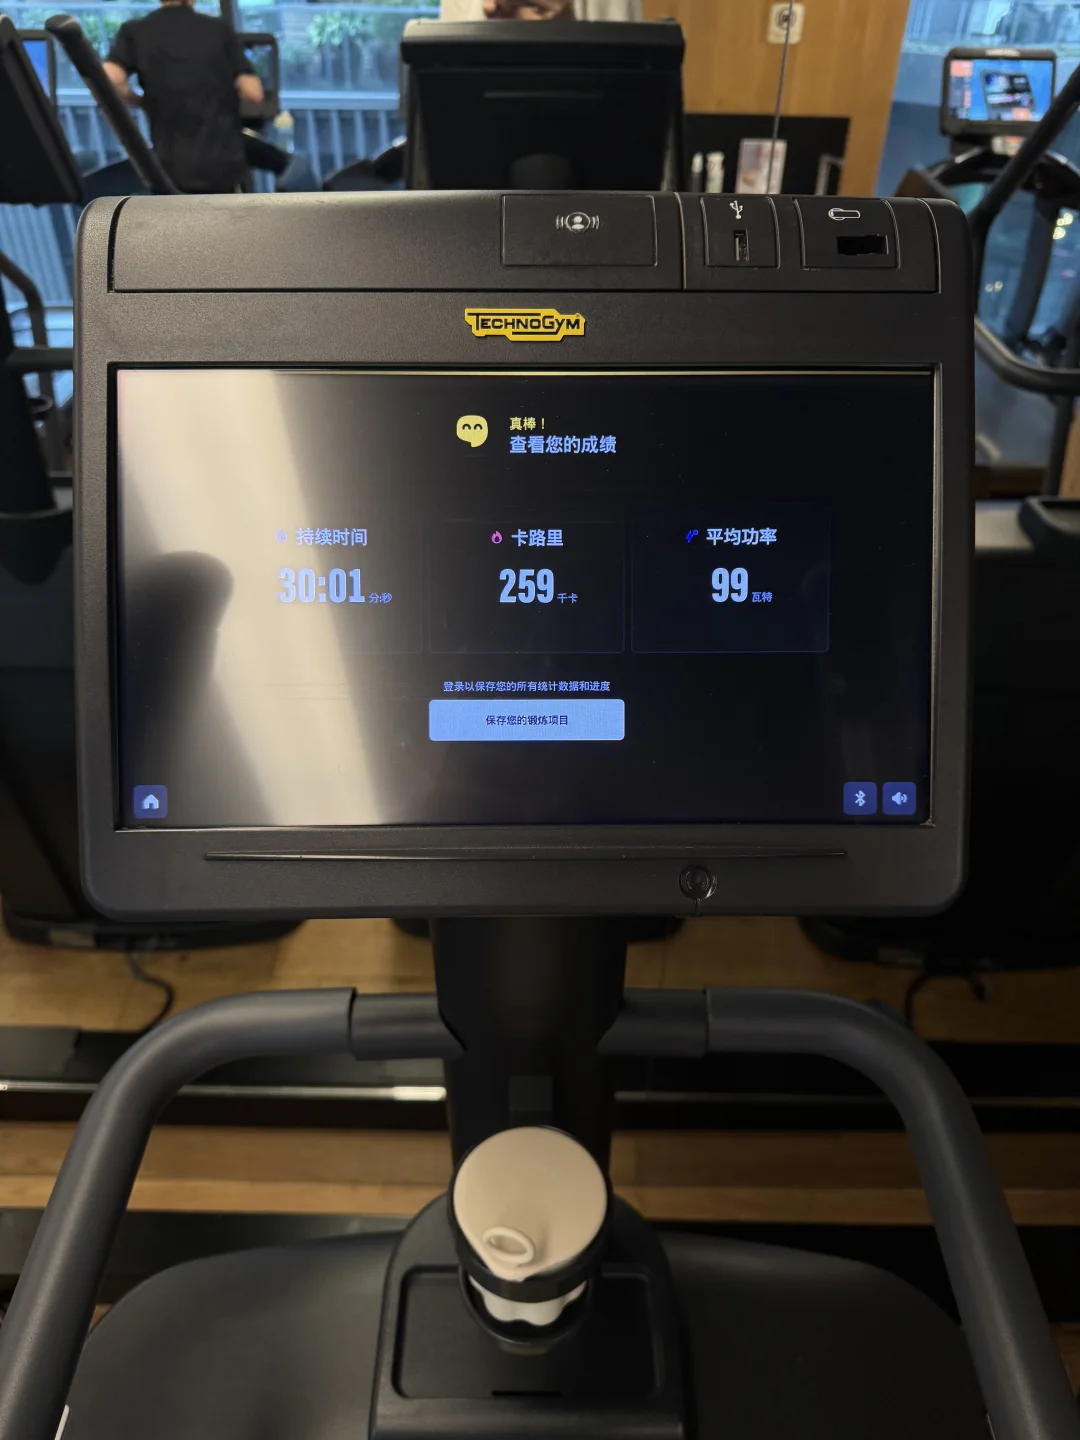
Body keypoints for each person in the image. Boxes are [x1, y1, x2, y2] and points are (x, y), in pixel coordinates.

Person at [104, 0, 264, 194]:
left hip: (171, 167)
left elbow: (110, 77)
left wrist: (137, 100)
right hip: (222, 163)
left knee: (175, 212)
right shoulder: (218, 29)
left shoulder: (135, 31)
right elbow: (253, 92)